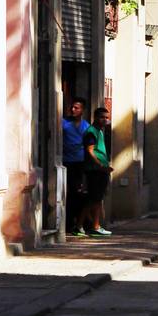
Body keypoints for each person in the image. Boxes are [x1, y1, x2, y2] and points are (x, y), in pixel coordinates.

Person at [82, 107, 112, 237]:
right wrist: (100, 165)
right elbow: (90, 151)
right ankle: (86, 225)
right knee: (93, 199)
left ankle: (95, 225)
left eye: (106, 117)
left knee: (97, 199)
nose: (105, 120)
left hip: (101, 170)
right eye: (102, 117)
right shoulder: (91, 131)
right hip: (95, 170)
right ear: (95, 117)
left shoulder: (100, 131)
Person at [62, 96, 90, 236]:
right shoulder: (64, 123)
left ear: (82, 110)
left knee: (77, 193)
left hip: (79, 163)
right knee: (67, 193)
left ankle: (77, 222)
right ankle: (67, 223)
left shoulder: (86, 126)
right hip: (65, 162)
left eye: (76, 108)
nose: (73, 109)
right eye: (72, 107)